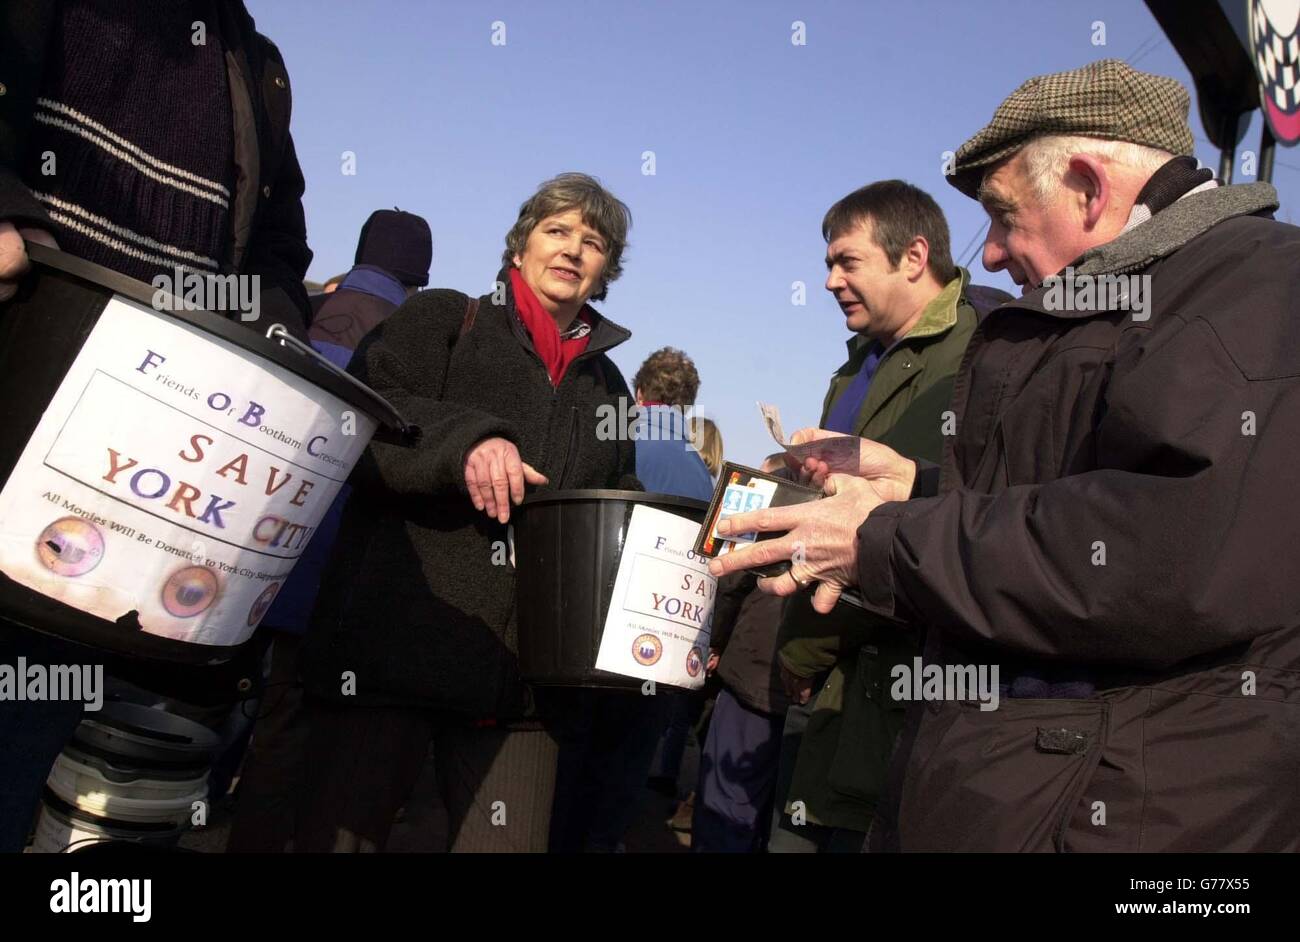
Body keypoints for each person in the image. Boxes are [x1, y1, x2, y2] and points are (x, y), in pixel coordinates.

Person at [708, 59, 1300, 852]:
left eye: (1004, 214)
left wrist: (882, 540)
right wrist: (914, 488)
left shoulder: (1253, 289)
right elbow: (1060, 495)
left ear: (1088, 187)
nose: (987, 255)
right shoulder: (1126, 299)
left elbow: (1155, 549)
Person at [0, 0, 312, 853]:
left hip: (120, 446)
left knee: (34, 712)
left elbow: (279, 240)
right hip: (21, 346)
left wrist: (266, 337)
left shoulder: (257, 60)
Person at [295, 173, 639, 853]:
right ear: (521, 246)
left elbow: (612, 504)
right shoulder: (445, 319)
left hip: (523, 684)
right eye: (556, 231)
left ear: (605, 271)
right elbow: (361, 423)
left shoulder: (608, 384)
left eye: (593, 242)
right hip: (392, 652)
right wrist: (466, 441)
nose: (572, 250)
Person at [760, 181, 1005, 853]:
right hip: (832, 695)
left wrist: (803, 648)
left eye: (847, 261)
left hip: (902, 703)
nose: (831, 280)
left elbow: (920, 528)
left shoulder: (986, 351)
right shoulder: (856, 369)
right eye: (827, 265)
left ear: (914, 254)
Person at [227, 208, 433, 852]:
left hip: (236, 539)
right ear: (418, 277)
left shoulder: (297, 307)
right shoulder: (414, 341)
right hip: (325, 573)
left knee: (198, 706)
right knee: (289, 730)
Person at [548, 347, 713, 852]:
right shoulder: (703, 473)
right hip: (659, 646)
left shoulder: (617, 440)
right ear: (687, 404)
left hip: (590, 631)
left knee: (569, 756)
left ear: (640, 394)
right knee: (626, 762)